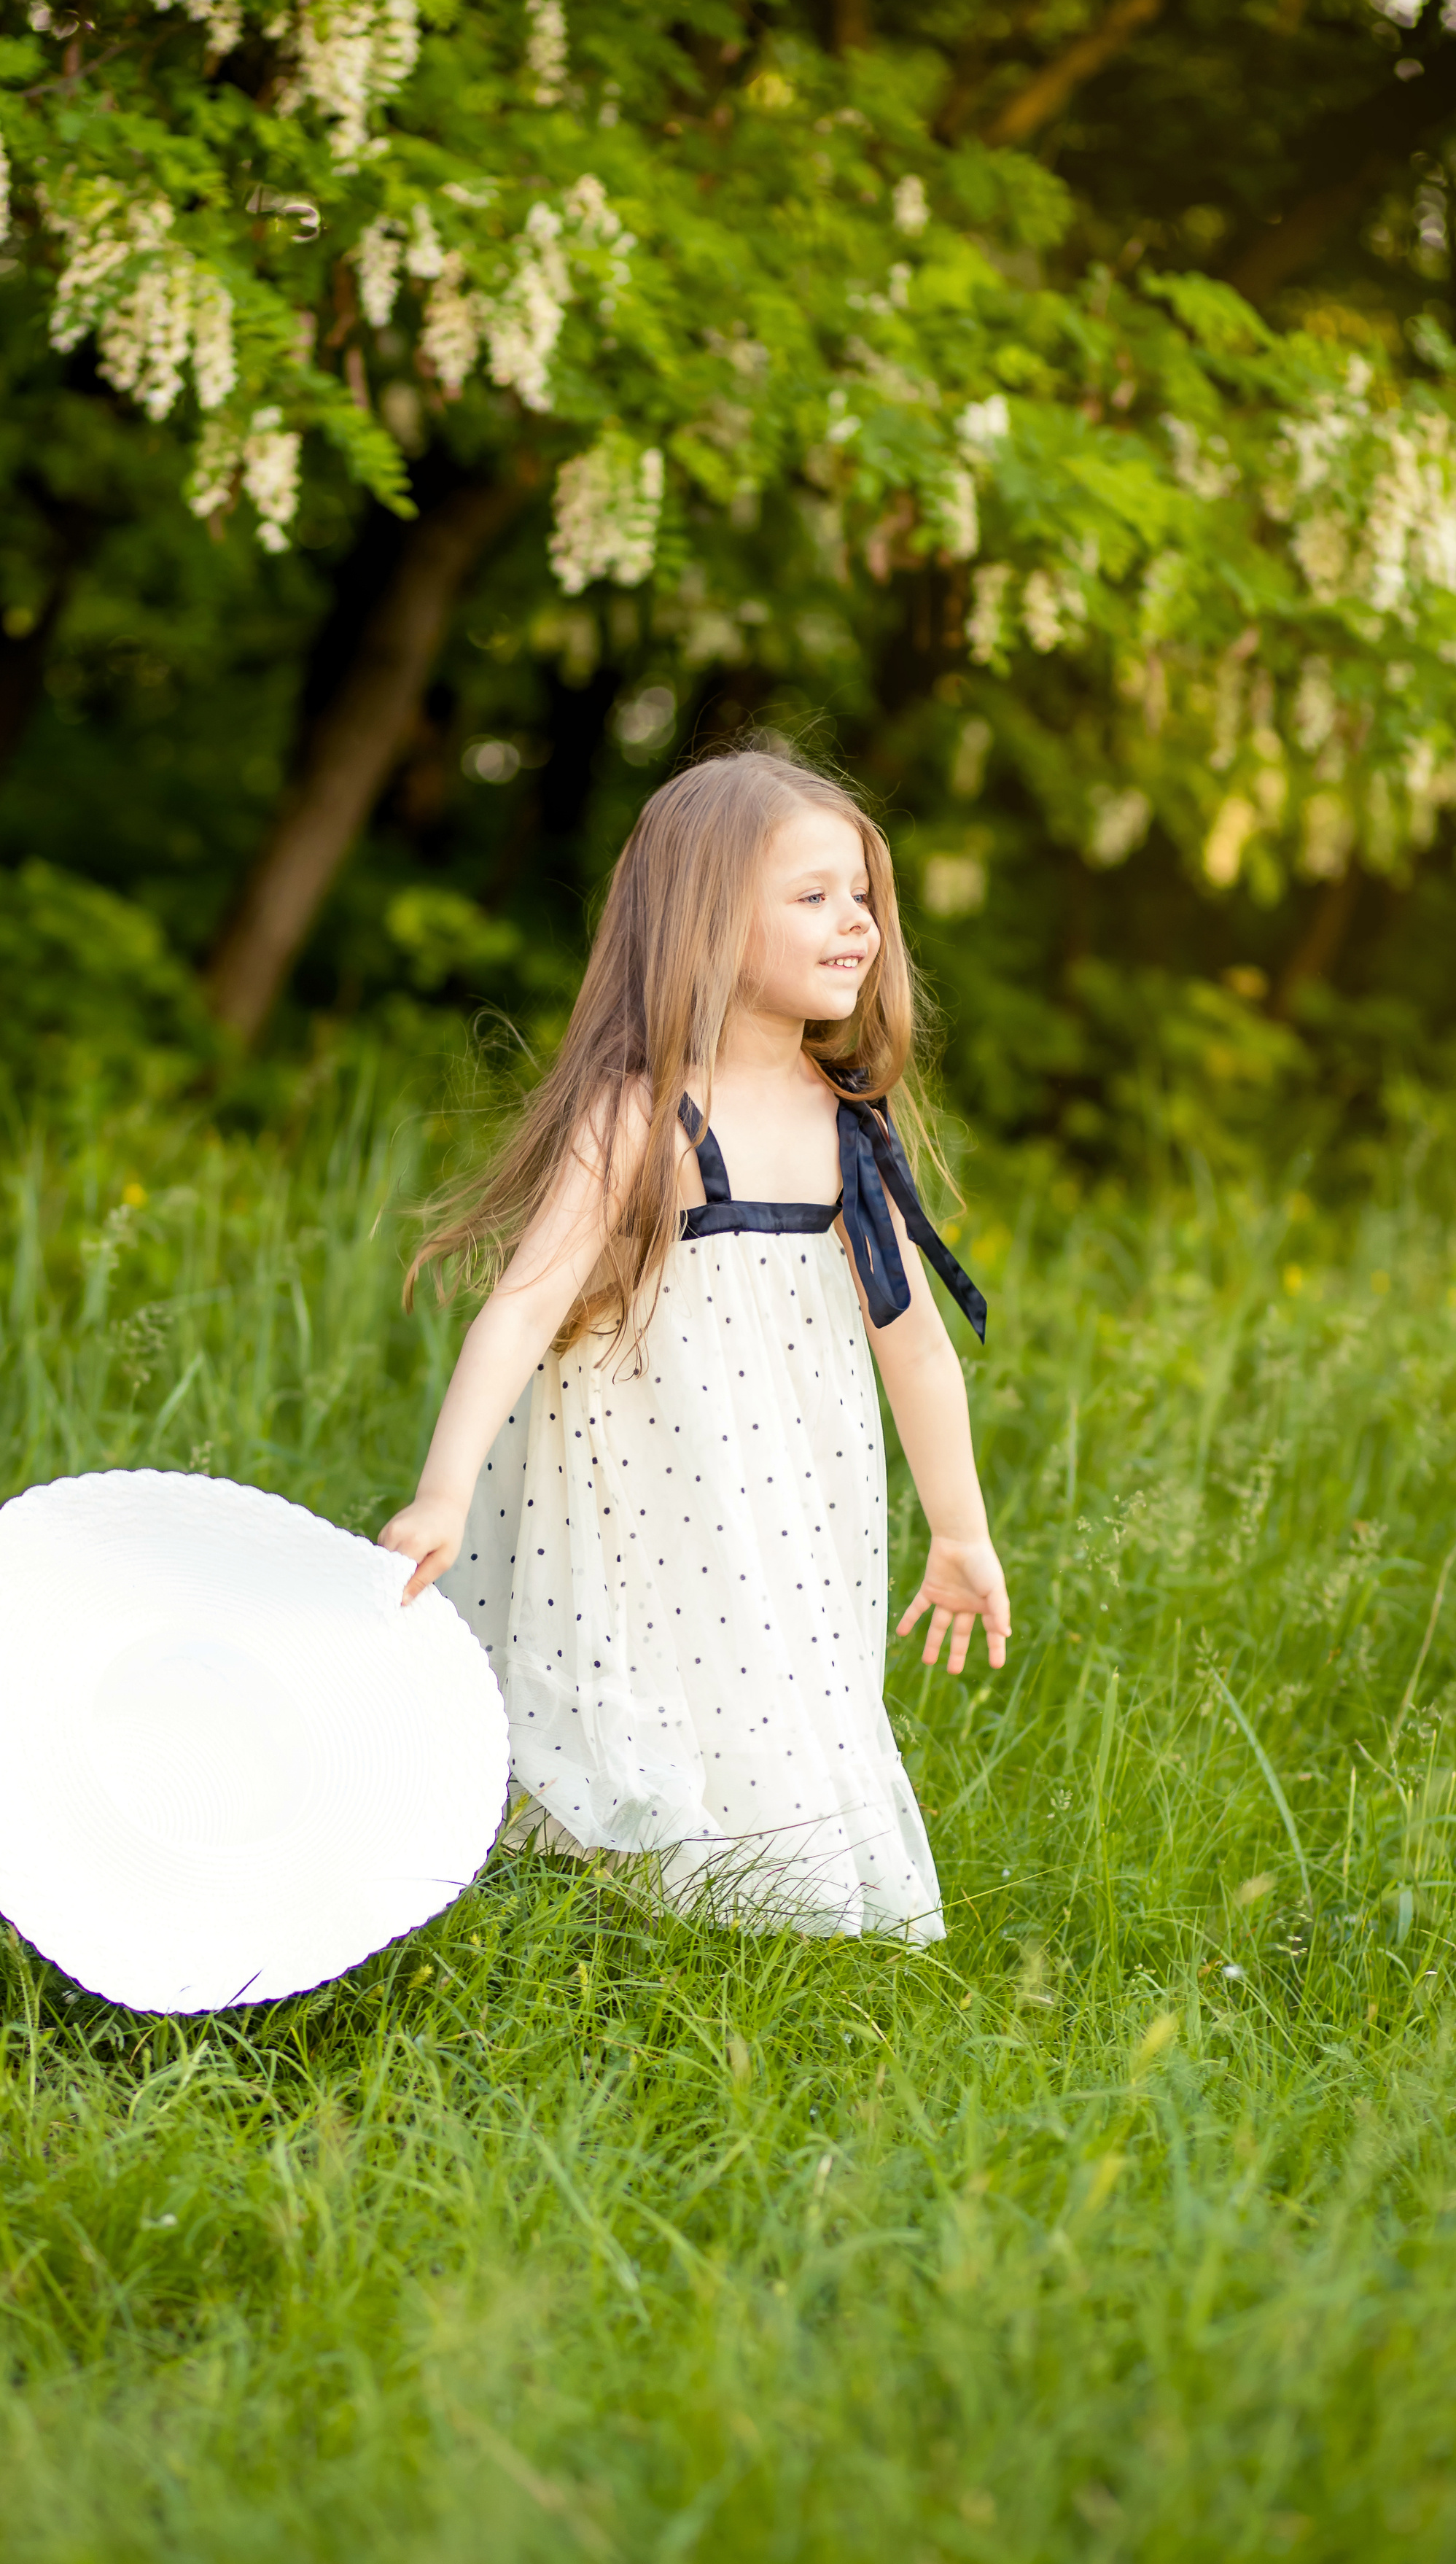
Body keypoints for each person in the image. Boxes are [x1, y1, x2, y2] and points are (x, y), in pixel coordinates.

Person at [378, 743, 1011, 1939]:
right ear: (711, 923)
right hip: (649, 1474)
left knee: (779, 1674)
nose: (857, 925)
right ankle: (617, 1915)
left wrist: (962, 1530)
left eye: (864, 896)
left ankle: (764, 1906)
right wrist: (442, 1493)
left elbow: (915, 1345)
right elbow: (518, 1304)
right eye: (814, 896)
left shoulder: (852, 1133)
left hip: (794, 1477)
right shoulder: (643, 1117)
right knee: (652, 1678)